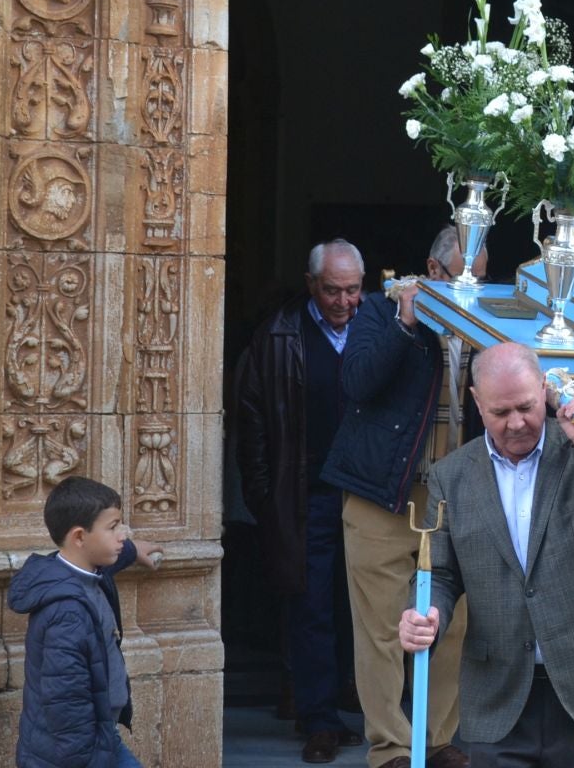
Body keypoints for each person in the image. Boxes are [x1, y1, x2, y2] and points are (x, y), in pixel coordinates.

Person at [397, 342, 574, 767]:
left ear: (544, 391)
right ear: (476, 402)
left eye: (526, 406)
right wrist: (424, 613)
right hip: (498, 691)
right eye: (501, 413)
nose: (517, 423)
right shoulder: (452, 476)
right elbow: (441, 573)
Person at [321, 228, 488, 768]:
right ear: (432, 271)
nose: (469, 288)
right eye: (459, 275)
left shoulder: (491, 322)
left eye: (479, 277)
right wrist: (406, 323)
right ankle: (391, 748)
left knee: (456, 622)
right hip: (382, 495)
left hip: (455, 499)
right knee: (380, 629)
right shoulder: (379, 311)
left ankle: (439, 741)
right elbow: (358, 382)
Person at [234, 239, 369, 760]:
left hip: (367, 496)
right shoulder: (277, 336)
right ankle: (318, 720)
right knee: (309, 606)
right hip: (306, 496)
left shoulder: (377, 329)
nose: (343, 302)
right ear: (312, 284)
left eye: (353, 290)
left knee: (359, 604)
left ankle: (352, 705)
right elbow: (253, 425)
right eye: (333, 290)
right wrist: (266, 501)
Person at [8, 476, 165, 768]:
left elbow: (109, 559)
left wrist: (133, 550)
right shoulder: (67, 612)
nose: (122, 535)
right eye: (113, 527)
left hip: (99, 739)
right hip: (77, 754)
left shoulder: (86, 573)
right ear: (80, 537)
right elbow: (66, 704)